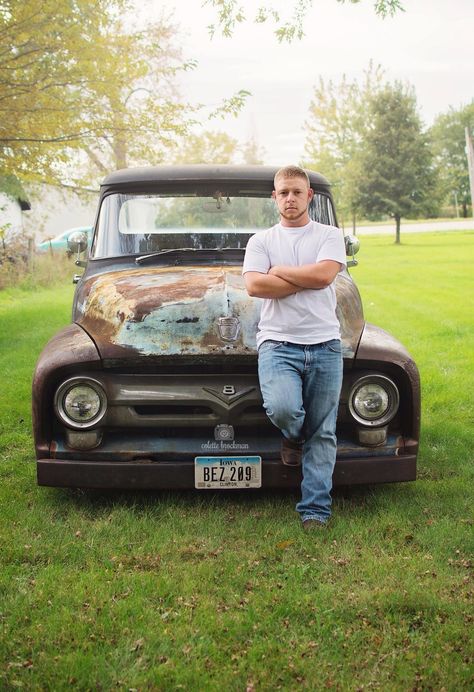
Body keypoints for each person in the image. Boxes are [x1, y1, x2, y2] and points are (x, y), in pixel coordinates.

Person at [242, 165, 346, 530]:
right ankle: (291, 437)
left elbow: (325, 276)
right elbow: (255, 286)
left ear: (309, 196)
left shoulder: (329, 235)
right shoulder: (261, 241)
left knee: (324, 431)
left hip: (325, 344)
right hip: (277, 342)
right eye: (283, 192)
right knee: (285, 409)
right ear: (274, 197)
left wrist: (280, 272)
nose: (290, 198)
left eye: (296, 192)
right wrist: (305, 277)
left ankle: (315, 509)